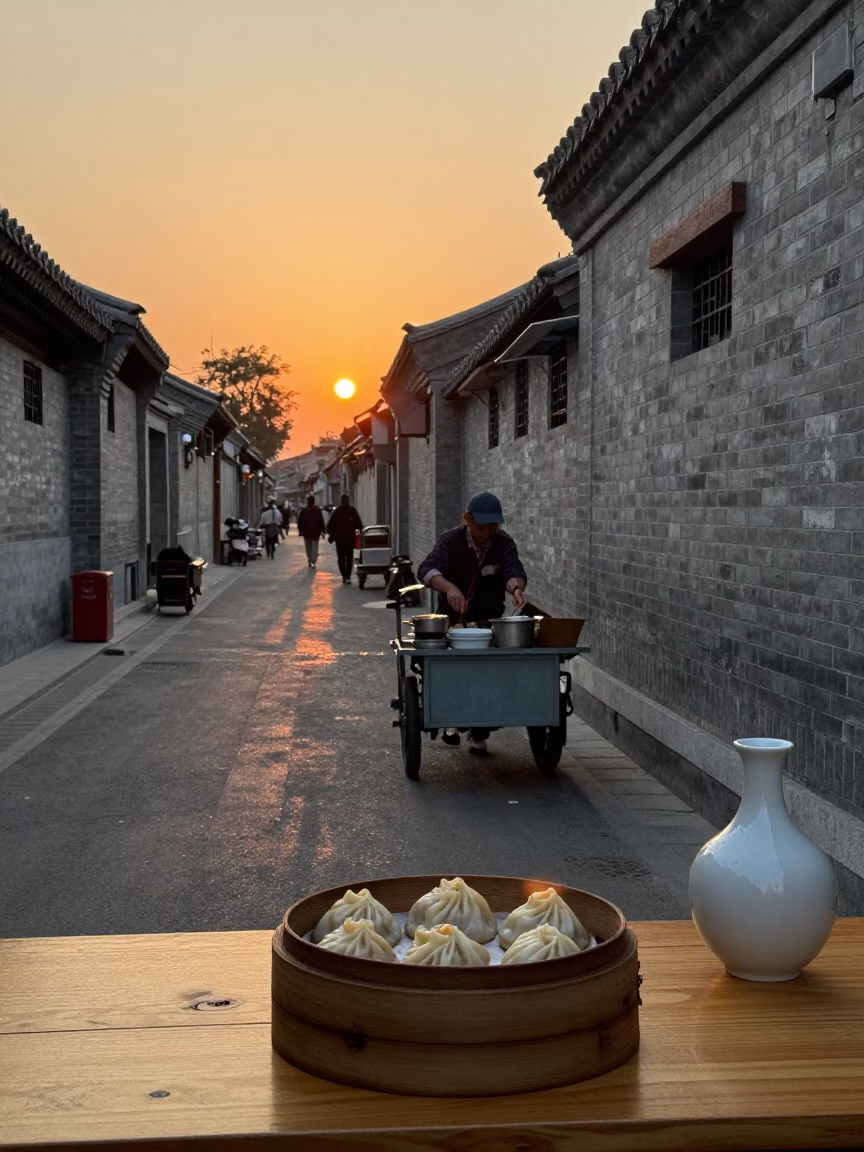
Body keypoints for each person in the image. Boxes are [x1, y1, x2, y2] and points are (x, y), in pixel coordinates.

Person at [417, 491, 527, 755]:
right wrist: (449, 588)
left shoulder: (503, 543)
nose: (488, 532)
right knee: (453, 672)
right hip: (454, 622)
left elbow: (514, 572)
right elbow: (426, 570)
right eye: (481, 526)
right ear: (467, 519)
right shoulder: (450, 541)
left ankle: (479, 730)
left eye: (493, 526)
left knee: (488, 675)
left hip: (489, 623)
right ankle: (450, 720)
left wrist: (516, 589)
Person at [326, 494, 364, 584]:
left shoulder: (346, 511)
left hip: (345, 540)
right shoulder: (349, 511)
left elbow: (330, 525)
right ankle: (346, 576)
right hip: (344, 540)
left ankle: (346, 576)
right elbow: (359, 525)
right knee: (346, 558)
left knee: (343, 559)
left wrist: (331, 535)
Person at [297, 494, 326, 568]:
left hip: (306, 532)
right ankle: (312, 560)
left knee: (308, 547)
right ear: (314, 501)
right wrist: (323, 531)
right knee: (315, 547)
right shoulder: (317, 510)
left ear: (307, 501)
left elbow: (299, 522)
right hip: (315, 532)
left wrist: (300, 531)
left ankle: (310, 559)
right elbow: (321, 521)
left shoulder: (303, 511)